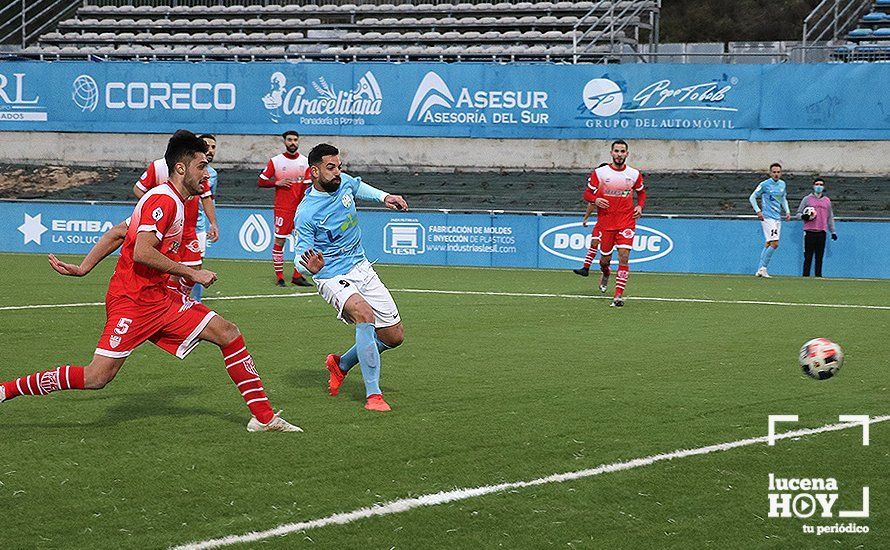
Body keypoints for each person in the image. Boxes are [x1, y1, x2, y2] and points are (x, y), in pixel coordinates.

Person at [1, 130, 301, 433]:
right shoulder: (164, 201)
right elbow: (143, 252)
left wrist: (84, 268)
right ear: (181, 168)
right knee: (96, 377)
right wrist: (192, 273)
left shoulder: (174, 201)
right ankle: (5, 390)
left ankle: (264, 418)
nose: (206, 175)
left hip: (161, 298)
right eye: (201, 167)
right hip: (131, 301)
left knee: (228, 333)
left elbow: (119, 232)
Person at [295, 144, 408, 412]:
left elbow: (358, 187)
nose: (338, 172)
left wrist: (385, 197)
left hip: (360, 266)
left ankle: (341, 364)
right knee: (364, 314)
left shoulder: (343, 183)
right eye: (330, 167)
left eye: (339, 166)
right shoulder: (307, 213)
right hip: (331, 274)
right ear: (314, 171)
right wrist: (309, 267)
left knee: (393, 337)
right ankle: (374, 396)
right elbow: (300, 260)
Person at [135, 149, 219, 297]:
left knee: (194, 267)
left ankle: (179, 299)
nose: (207, 175)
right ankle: (174, 300)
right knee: (172, 270)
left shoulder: (198, 176)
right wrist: (150, 205)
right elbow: (138, 189)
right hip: (168, 231)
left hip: (189, 229)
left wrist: (213, 222)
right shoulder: (163, 193)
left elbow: (207, 198)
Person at [581, 141, 645, 306]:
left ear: (627, 154)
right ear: (611, 153)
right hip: (606, 223)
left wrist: (639, 205)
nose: (619, 154)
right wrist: (596, 199)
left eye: (622, 151)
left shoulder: (634, 174)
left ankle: (618, 296)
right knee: (605, 261)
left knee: (624, 256)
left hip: (626, 221)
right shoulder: (600, 173)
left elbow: (641, 192)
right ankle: (606, 273)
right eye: (616, 151)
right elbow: (587, 194)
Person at [258, 130, 312, 287]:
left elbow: (307, 188)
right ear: (284, 142)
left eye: (295, 139)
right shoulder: (276, 161)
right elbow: (261, 181)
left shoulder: (305, 162)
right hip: (283, 209)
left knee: (303, 242)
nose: (293, 142)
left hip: (301, 210)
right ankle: (280, 277)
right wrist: (276, 182)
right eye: (289, 140)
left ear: (298, 141)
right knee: (280, 241)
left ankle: (297, 275)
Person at [191, 134, 221, 301]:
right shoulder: (185, 168)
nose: (210, 150)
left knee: (197, 265)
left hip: (200, 227)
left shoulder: (213, 174)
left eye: (213, 147)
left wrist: (213, 223)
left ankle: (195, 302)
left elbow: (209, 199)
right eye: (206, 146)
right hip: (181, 226)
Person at [749, 163, 791, 278]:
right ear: (770, 173)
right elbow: (752, 197)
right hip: (767, 217)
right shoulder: (765, 184)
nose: (776, 174)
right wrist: (758, 211)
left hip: (777, 217)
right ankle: (763, 268)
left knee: (768, 243)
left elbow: (783, 199)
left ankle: (759, 270)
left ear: (781, 173)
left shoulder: (782, 184)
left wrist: (787, 211)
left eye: (778, 172)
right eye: (774, 172)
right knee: (775, 243)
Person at [573, 162, 609, 287]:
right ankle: (586, 268)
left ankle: (605, 273)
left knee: (606, 258)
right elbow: (591, 203)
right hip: (602, 221)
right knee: (594, 243)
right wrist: (586, 218)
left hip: (616, 223)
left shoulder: (615, 186)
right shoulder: (596, 189)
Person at [796, 178, 838, 277]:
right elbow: (798, 213)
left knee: (819, 257)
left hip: (821, 232)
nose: (819, 186)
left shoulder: (827, 201)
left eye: (821, 184)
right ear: (813, 186)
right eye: (817, 184)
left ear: (823, 187)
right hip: (809, 231)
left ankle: (818, 276)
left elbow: (830, 217)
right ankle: (805, 276)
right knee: (808, 256)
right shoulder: (807, 199)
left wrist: (833, 231)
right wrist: (803, 216)